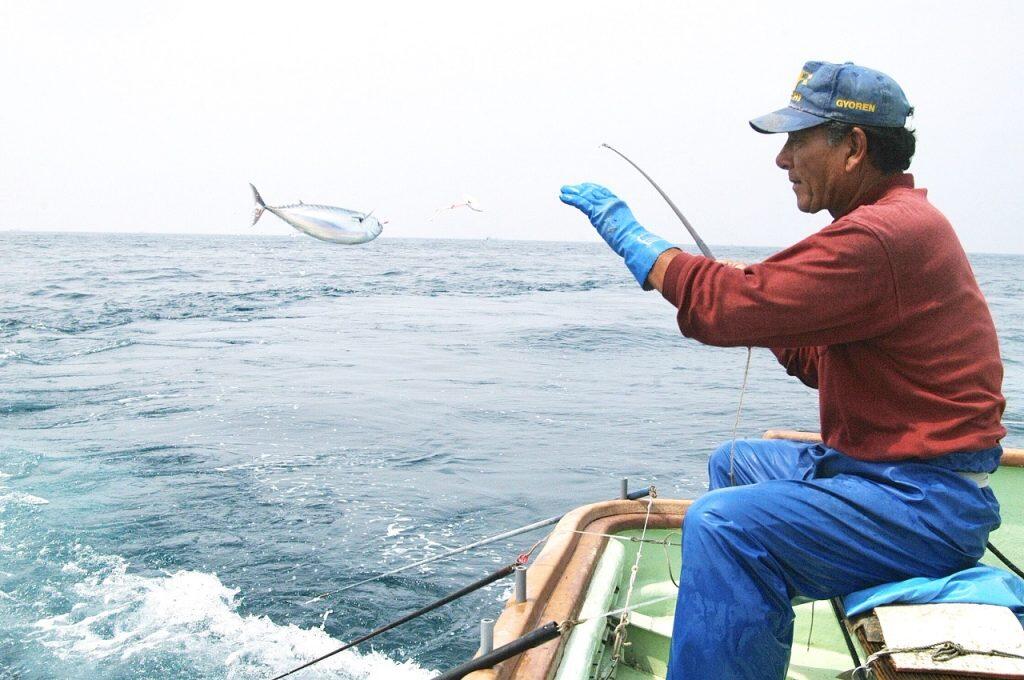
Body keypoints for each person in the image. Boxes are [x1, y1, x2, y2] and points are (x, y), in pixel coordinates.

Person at [559, 60, 1006, 680]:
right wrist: (773, 312)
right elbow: (821, 365)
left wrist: (636, 242)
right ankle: (748, 634)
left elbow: (722, 306)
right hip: (888, 478)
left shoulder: (880, 236)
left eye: (797, 139)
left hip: (923, 503)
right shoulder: (892, 228)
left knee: (722, 527)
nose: (782, 159)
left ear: (852, 146)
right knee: (734, 463)